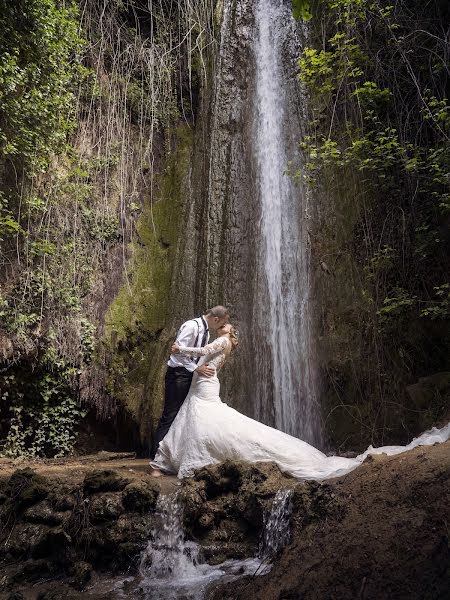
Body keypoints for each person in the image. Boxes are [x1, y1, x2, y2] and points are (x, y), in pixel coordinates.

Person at [150, 324, 450, 480]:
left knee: (214, 424)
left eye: (224, 327)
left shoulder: (222, 341)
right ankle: (172, 458)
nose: (221, 328)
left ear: (229, 333)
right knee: (201, 420)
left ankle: (178, 459)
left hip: (205, 384)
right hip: (205, 383)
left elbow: (204, 350)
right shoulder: (227, 344)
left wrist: (180, 348)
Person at [150, 306, 229, 475]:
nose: (222, 327)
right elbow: (177, 354)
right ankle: (156, 463)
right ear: (216, 319)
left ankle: (171, 460)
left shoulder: (206, 332)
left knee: (182, 417)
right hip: (178, 374)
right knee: (170, 416)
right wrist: (196, 368)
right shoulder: (191, 326)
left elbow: (200, 353)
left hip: (190, 377)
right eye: (222, 323)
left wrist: (197, 370)